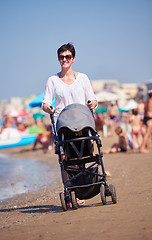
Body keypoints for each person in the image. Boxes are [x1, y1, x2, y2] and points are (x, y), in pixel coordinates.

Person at [42, 43, 97, 205]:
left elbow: (93, 98)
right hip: (62, 124)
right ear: (58, 59)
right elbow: (45, 102)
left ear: (73, 58)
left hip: (81, 122)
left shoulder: (83, 78)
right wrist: (47, 108)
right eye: (61, 57)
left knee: (82, 156)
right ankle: (71, 192)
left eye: (67, 56)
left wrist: (92, 103)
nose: (64, 59)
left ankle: (82, 188)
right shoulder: (53, 80)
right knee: (65, 158)